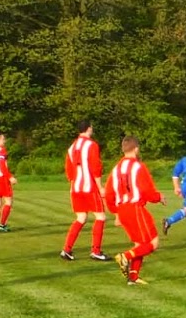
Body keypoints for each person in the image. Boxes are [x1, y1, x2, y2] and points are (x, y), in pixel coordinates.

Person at [106, 136, 163, 285]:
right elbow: (147, 191)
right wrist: (159, 197)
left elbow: (109, 193)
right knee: (153, 243)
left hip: (122, 209)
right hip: (135, 208)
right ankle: (125, 256)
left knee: (140, 244)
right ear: (136, 149)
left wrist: (116, 213)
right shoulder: (138, 166)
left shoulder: (116, 169)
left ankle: (133, 277)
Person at [63, 121, 110, 262]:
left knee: (81, 218)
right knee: (100, 217)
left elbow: (69, 170)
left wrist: (74, 183)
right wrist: (100, 187)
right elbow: (96, 167)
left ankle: (66, 249)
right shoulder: (92, 145)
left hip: (76, 188)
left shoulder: (72, 147)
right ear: (88, 129)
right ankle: (96, 251)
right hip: (89, 187)